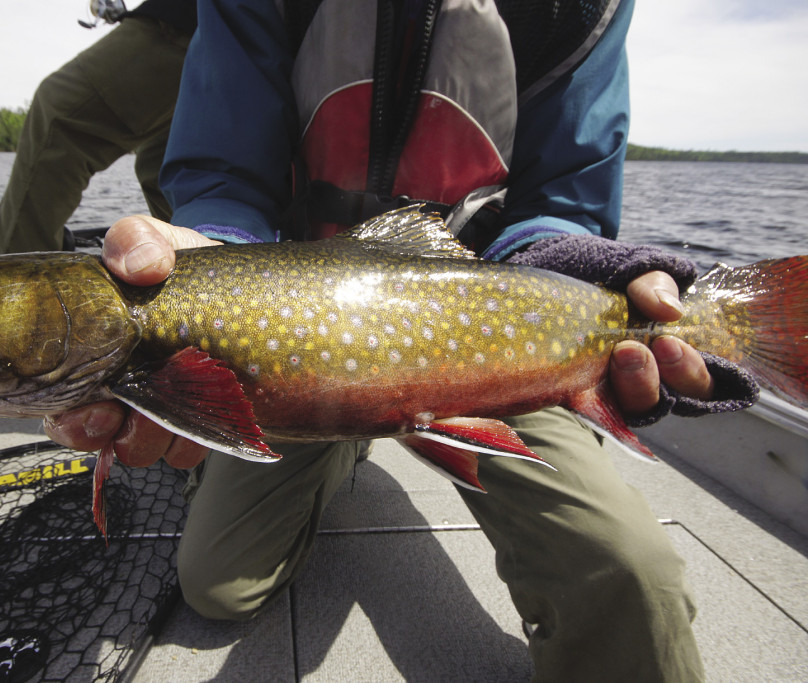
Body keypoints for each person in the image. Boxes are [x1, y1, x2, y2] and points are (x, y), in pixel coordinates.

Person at [45, 1, 756, 680]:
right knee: (216, 586)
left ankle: (355, 440)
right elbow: (225, 174)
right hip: (281, 341)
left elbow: (565, 202)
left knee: (632, 573)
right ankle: (340, 448)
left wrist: (571, 268)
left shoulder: (577, 4)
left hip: (489, 332)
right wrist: (210, 259)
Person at [0, 0, 196, 256]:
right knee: (166, 165)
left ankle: (13, 278)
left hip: (187, 18)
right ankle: (200, 268)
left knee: (59, 114)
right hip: (214, 31)